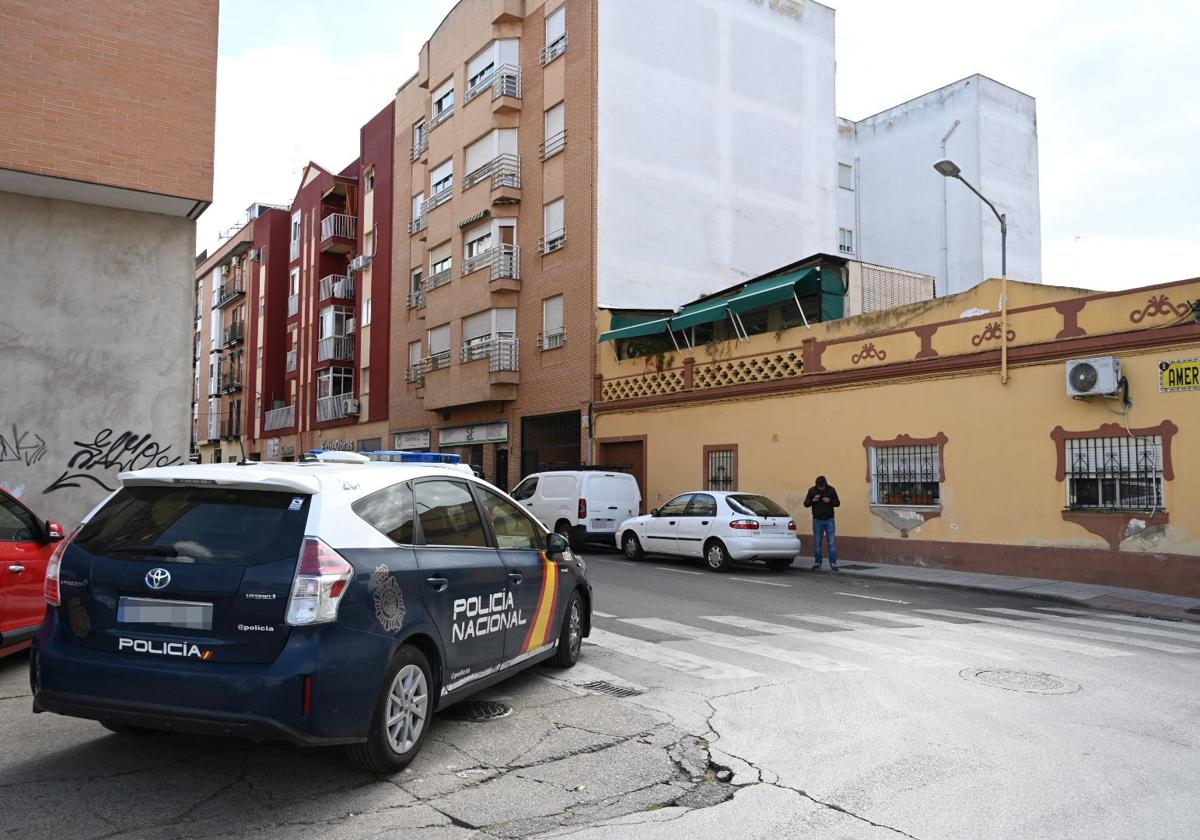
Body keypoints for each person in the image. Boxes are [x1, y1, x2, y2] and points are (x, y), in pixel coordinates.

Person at [803, 475, 840, 571]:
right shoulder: (812, 491)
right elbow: (806, 504)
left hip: (829, 520)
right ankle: (817, 562)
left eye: (822, 487)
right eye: (819, 487)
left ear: (825, 484)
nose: (821, 489)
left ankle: (833, 563)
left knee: (831, 542)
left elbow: (837, 503)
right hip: (817, 520)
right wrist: (812, 500)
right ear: (816, 486)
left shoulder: (831, 490)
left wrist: (830, 501)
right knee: (817, 543)